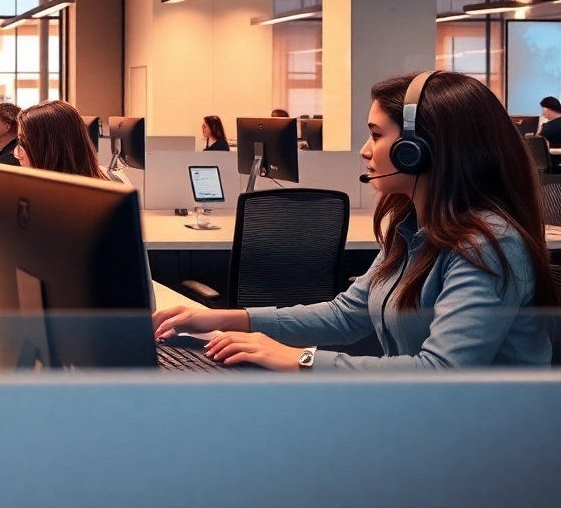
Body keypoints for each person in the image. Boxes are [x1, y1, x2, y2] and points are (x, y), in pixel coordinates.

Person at [153, 71, 556, 370]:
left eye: (376, 135)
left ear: (418, 150)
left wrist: (301, 361)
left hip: (491, 445)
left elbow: (441, 371)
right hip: (425, 425)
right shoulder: (414, 229)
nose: (365, 150)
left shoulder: (489, 243)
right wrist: (229, 318)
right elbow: (348, 314)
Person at [0, 101, 108, 253]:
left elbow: (52, 254)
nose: (17, 153)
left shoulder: (81, 206)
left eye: (22, 143)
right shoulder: (47, 194)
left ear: (47, 150)